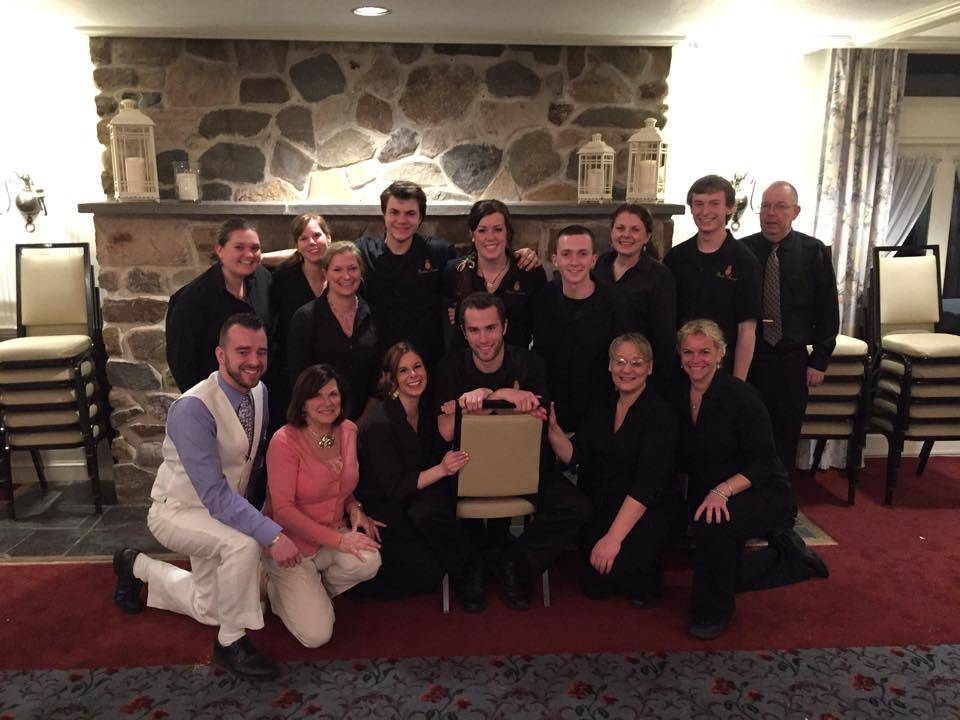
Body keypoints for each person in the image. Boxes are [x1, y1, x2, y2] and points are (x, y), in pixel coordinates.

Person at [113, 313, 300, 680]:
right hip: (178, 511)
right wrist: (272, 535)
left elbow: (249, 464)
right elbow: (214, 495)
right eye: (243, 351)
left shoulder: (259, 392)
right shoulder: (193, 408)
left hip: (220, 513)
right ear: (220, 354)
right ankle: (230, 643)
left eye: (261, 352)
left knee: (212, 607)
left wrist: (265, 510)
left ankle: (135, 566)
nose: (254, 360)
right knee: (242, 546)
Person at [430, 292, 590, 612]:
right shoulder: (450, 366)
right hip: (465, 469)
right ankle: (472, 564)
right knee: (424, 511)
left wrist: (492, 395)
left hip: (524, 467)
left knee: (576, 507)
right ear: (463, 332)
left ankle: (514, 560)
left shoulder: (531, 364)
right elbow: (446, 431)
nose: (483, 339)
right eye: (474, 330)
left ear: (504, 326)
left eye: (490, 328)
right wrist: (498, 398)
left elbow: (541, 418)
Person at [673, 319, 828, 641]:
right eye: (688, 352)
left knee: (713, 525)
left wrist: (722, 491)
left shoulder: (742, 396)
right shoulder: (677, 396)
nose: (696, 359)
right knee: (725, 570)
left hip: (761, 489)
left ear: (721, 353)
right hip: (715, 491)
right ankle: (792, 559)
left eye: (705, 351)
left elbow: (764, 462)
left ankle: (714, 613)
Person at [546, 333, 685, 607]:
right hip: (608, 504)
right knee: (595, 586)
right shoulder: (602, 404)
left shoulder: (661, 414)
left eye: (636, 362)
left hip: (650, 508)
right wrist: (551, 429)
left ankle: (643, 569)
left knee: (636, 586)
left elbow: (647, 486)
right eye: (620, 361)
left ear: (649, 368)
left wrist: (613, 538)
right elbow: (575, 454)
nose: (626, 369)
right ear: (610, 365)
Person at [357, 182, 541, 367]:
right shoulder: (363, 252)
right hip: (381, 359)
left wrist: (522, 254)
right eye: (394, 212)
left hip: (431, 361)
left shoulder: (439, 252)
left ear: (421, 217)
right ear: (384, 214)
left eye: (410, 213)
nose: (401, 220)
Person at [262, 364, 382, 647]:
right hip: (290, 546)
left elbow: (339, 483)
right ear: (302, 403)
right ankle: (273, 588)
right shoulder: (284, 442)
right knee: (317, 636)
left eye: (333, 394)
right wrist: (340, 540)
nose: (327, 402)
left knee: (370, 562)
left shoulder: (345, 431)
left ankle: (311, 592)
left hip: (330, 535)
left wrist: (355, 509)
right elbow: (283, 510)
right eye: (316, 395)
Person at [354, 342, 470, 599]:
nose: (413, 375)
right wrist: (442, 469)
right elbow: (394, 487)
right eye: (403, 370)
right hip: (383, 507)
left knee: (431, 522)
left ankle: (469, 567)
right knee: (426, 575)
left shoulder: (426, 410)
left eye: (418, 366)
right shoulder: (380, 423)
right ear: (392, 379)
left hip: (413, 499)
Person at [742, 182, 840, 472]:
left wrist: (819, 360)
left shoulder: (813, 251)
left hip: (791, 360)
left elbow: (827, 309)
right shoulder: (743, 250)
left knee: (785, 437)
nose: (771, 214)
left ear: (795, 212)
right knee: (747, 434)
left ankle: (781, 494)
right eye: (765, 206)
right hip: (750, 359)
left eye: (780, 207)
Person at [533, 225, 629, 433]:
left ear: (593, 260)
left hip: (599, 414)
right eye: (566, 254)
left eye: (582, 254)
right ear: (555, 260)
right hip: (549, 412)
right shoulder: (543, 298)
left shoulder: (614, 303)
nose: (574, 262)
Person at [664, 175, 762, 380]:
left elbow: (747, 329)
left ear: (730, 208)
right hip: (678, 371)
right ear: (691, 208)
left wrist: (737, 384)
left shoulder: (746, 262)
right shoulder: (675, 258)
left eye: (714, 203)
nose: (705, 211)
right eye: (699, 204)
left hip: (724, 372)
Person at [166, 218, 271, 392]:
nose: (249, 255)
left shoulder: (263, 279)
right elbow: (182, 365)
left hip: (259, 392)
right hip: (214, 396)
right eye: (239, 247)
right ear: (220, 250)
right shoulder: (190, 299)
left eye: (255, 248)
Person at [287, 242, 379, 422]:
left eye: (352, 268)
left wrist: (361, 424)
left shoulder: (374, 316)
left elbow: (378, 377)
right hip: (319, 420)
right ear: (325, 273)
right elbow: (299, 379)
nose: (346, 276)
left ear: (360, 271)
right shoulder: (305, 317)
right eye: (337, 270)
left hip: (366, 422)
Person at [443, 199, 547, 350]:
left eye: (498, 229)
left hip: (517, 361)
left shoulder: (529, 271)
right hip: (465, 361)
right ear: (472, 234)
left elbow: (542, 327)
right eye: (482, 230)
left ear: (507, 233)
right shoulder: (455, 271)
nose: (490, 237)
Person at [594, 203, 677, 388]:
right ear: (611, 232)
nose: (626, 235)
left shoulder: (660, 276)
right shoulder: (600, 265)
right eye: (620, 228)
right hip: (599, 368)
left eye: (635, 229)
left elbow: (664, 338)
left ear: (647, 236)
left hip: (636, 374)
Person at [264, 213, 331, 433]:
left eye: (317, 235)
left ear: (329, 238)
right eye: (303, 238)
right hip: (291, 376)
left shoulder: (341, 275)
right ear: (297, 245)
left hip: (330, 375)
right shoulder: (283, 278)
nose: (311, 242)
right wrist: (259, 257)